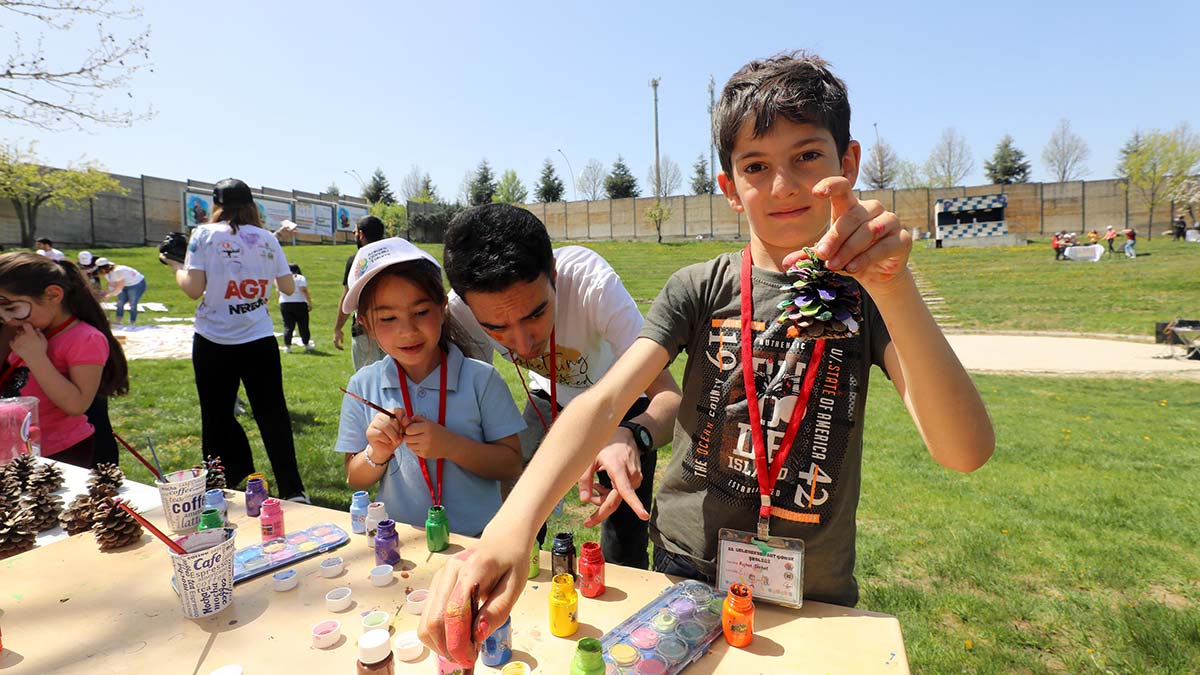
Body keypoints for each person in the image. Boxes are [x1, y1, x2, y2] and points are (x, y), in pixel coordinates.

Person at [418, 51, 995, 664]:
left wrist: (892, 286)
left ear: (847, 163)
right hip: (685, 567)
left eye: (806, 156)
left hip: (814, 587)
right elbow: (606, 400)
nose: (782, 185)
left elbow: (964, 451)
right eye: (755, 165)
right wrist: (511, 529)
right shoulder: (699, 288)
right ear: (729, 188)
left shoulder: (872, 296)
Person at [443, 203, 681, 570]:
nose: (521, 345)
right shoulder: (459, 311)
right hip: (546, 397)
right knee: (515, 510)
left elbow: (668, 397)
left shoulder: (592, 284)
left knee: (623, 533)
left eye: (535, 314)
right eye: (496, 328)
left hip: (620, 404)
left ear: (554, 273)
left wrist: (634, 435)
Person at [336, 238, 525, 537]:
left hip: (478, 542)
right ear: (366, 324)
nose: (408, 330)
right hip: (400, 544)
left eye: (421, 312)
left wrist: (451, 445)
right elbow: (354, 478)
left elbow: (511, 464)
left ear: (442, 308)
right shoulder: (363, 385)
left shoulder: (482, 380)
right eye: (387, 318)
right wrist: (377, 452)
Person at [160, 178, 308, 502]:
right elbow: (285, 286)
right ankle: (293, 489)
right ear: (251, 205)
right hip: (258, 337)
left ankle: (220, 487)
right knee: (273, 416)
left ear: (217, 205)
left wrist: (175, 264)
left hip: (213, 340)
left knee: (216, 416)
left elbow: (192, 288)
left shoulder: (203, 235)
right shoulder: (267, 239)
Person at [0, 253, 129, 468]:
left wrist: (36, 358)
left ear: (53, 295)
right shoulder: (19, 328)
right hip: (18, 445)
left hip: (63, 451)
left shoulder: (85, 338)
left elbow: (77, 404)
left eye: (13, 309)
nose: (7, 318)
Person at [334, 215, 388, 370]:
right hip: (391, 327)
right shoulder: (392, 259)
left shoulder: (357, 261)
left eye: (355, 232)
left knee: (367, 385)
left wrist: (338, 329)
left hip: (364, 329)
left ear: (362, 234)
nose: (354, 234)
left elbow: (347, 297)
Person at [94, 258, 148, 327]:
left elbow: (119, 288)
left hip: (136, 284)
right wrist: (105, 293)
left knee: (133, 303)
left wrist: (109, 295)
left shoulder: (117, 271)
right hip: (125, 284)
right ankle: (118, 321)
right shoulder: (107, 274)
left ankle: (132, 323)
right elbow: (112, 285)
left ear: (104, 268)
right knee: (120, 302)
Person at [279, 263, 314, 352]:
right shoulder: (300, 277)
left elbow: (278, 291)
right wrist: (309, 302)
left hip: (285, 303)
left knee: (288, 326)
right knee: (303, 325)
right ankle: (306, 344)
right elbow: (303, 290)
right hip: (299, 303)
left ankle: (287, 346)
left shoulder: (283, 278)